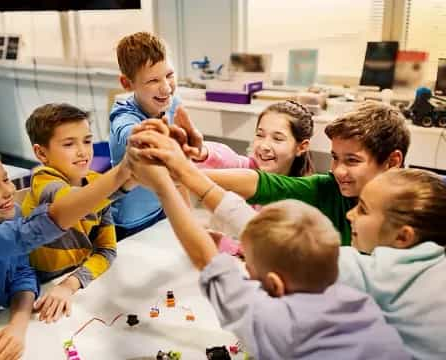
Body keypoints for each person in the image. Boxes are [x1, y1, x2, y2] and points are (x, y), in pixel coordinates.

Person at [125, 128, 410, 360]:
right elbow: (249, 220)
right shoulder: (360, 294)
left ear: (274, 285)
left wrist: (164, 186)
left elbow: (205, 257)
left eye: (248, 270)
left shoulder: (272, 323)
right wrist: (182, 172)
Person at [0, 145, 131, 360]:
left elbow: (22, 273)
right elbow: (43, 226)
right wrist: (122, 175)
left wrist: (18, 324)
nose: (8, 191)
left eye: (6, 180)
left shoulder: (11, 213)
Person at [195, 101, 411, 245]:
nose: (337, 170)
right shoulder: (327, 188)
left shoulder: (419, 212)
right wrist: (184, 171)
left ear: (392, 162)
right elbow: (259, 182)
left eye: (352, 161)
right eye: (335, 158)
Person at [22, 103, 134, 324]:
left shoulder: (96, 184)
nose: (83, 151)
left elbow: (107, 250)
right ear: (41, 153)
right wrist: (122, 179)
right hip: (37, 291)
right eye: (69, 144)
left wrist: (70, 284)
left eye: (87, 140)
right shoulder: (43, 180)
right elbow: (73, 203)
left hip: (75, 283)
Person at [338, 168, 446, 359]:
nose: (349, 214)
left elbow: (317, 259)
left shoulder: (396, 269)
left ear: (403, 237)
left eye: (362, 210)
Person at [109, 31, 201, 239]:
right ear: (127, 83)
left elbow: (179, 176)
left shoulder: (173, 104)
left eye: (169, 75)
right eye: (152, 80)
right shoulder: (122, 114)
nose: (166, 87)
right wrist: (155, 136)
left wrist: (192, 225)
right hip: (130, 221)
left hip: (163, 207)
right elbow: (130, 134)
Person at [192, 100, 314, 255]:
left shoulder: (301, 198)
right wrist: (201, 151)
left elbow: (273, 252)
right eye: (260, 135)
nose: (264, 146)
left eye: (277, 139)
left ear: (301, 147)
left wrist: (225, 244)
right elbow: (226, 158)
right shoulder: (249, 169)